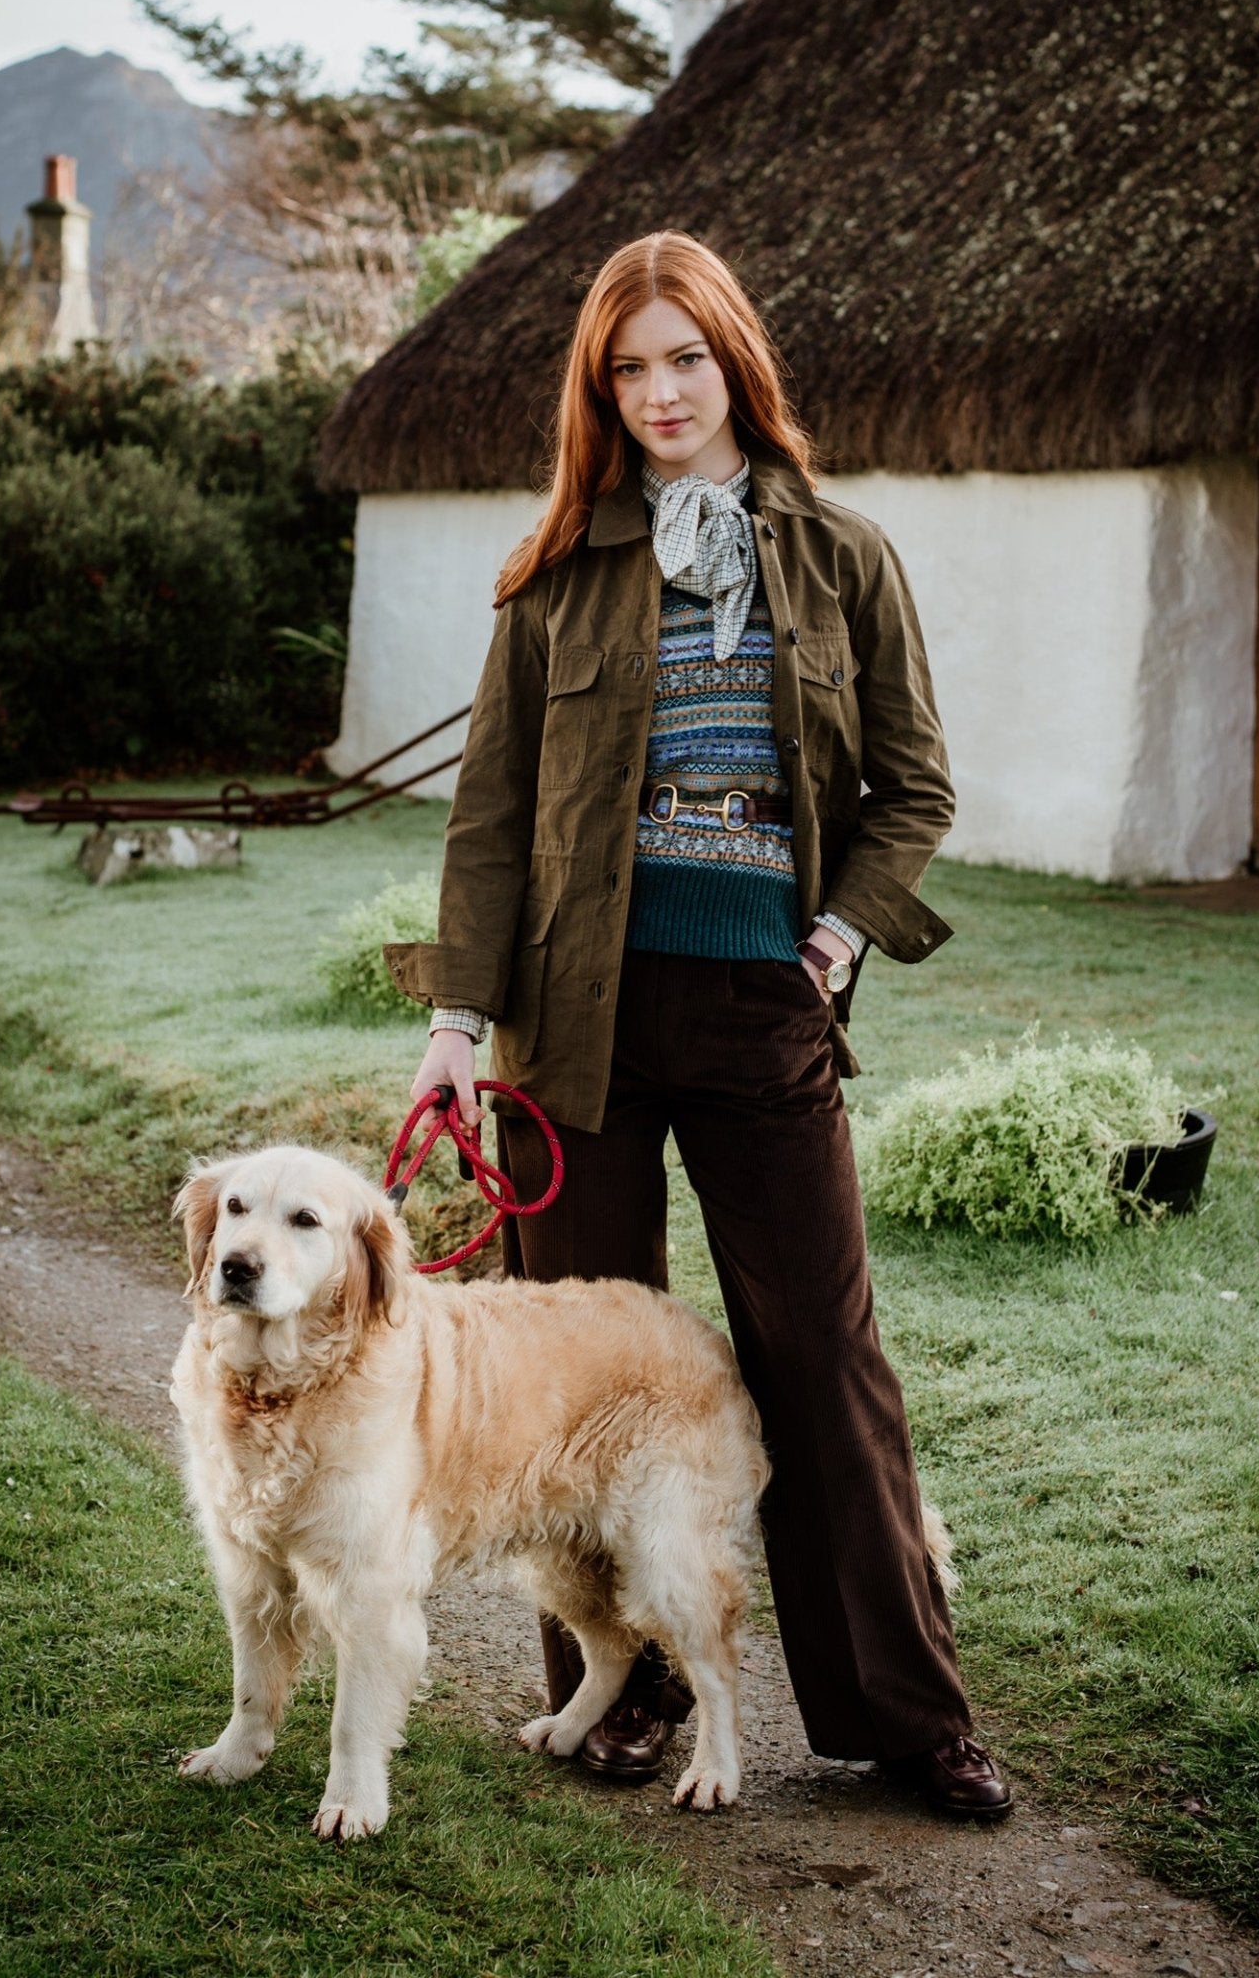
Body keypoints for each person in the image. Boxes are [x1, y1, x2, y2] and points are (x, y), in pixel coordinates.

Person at [388, 230, 1010, 1818]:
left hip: (764, 1012)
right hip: (572, 1023)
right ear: (601, 391)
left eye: (685, 357)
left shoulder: (845, 555)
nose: (661, 392)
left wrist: (834, 936)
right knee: (580, 1380)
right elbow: (492, 817)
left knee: (823, 1358)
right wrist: (459, 1023)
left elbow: (914, 783)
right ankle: (619, 1692)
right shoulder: (552, 577)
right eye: (628, 368)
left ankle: (904, 1714)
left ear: (736, 360)